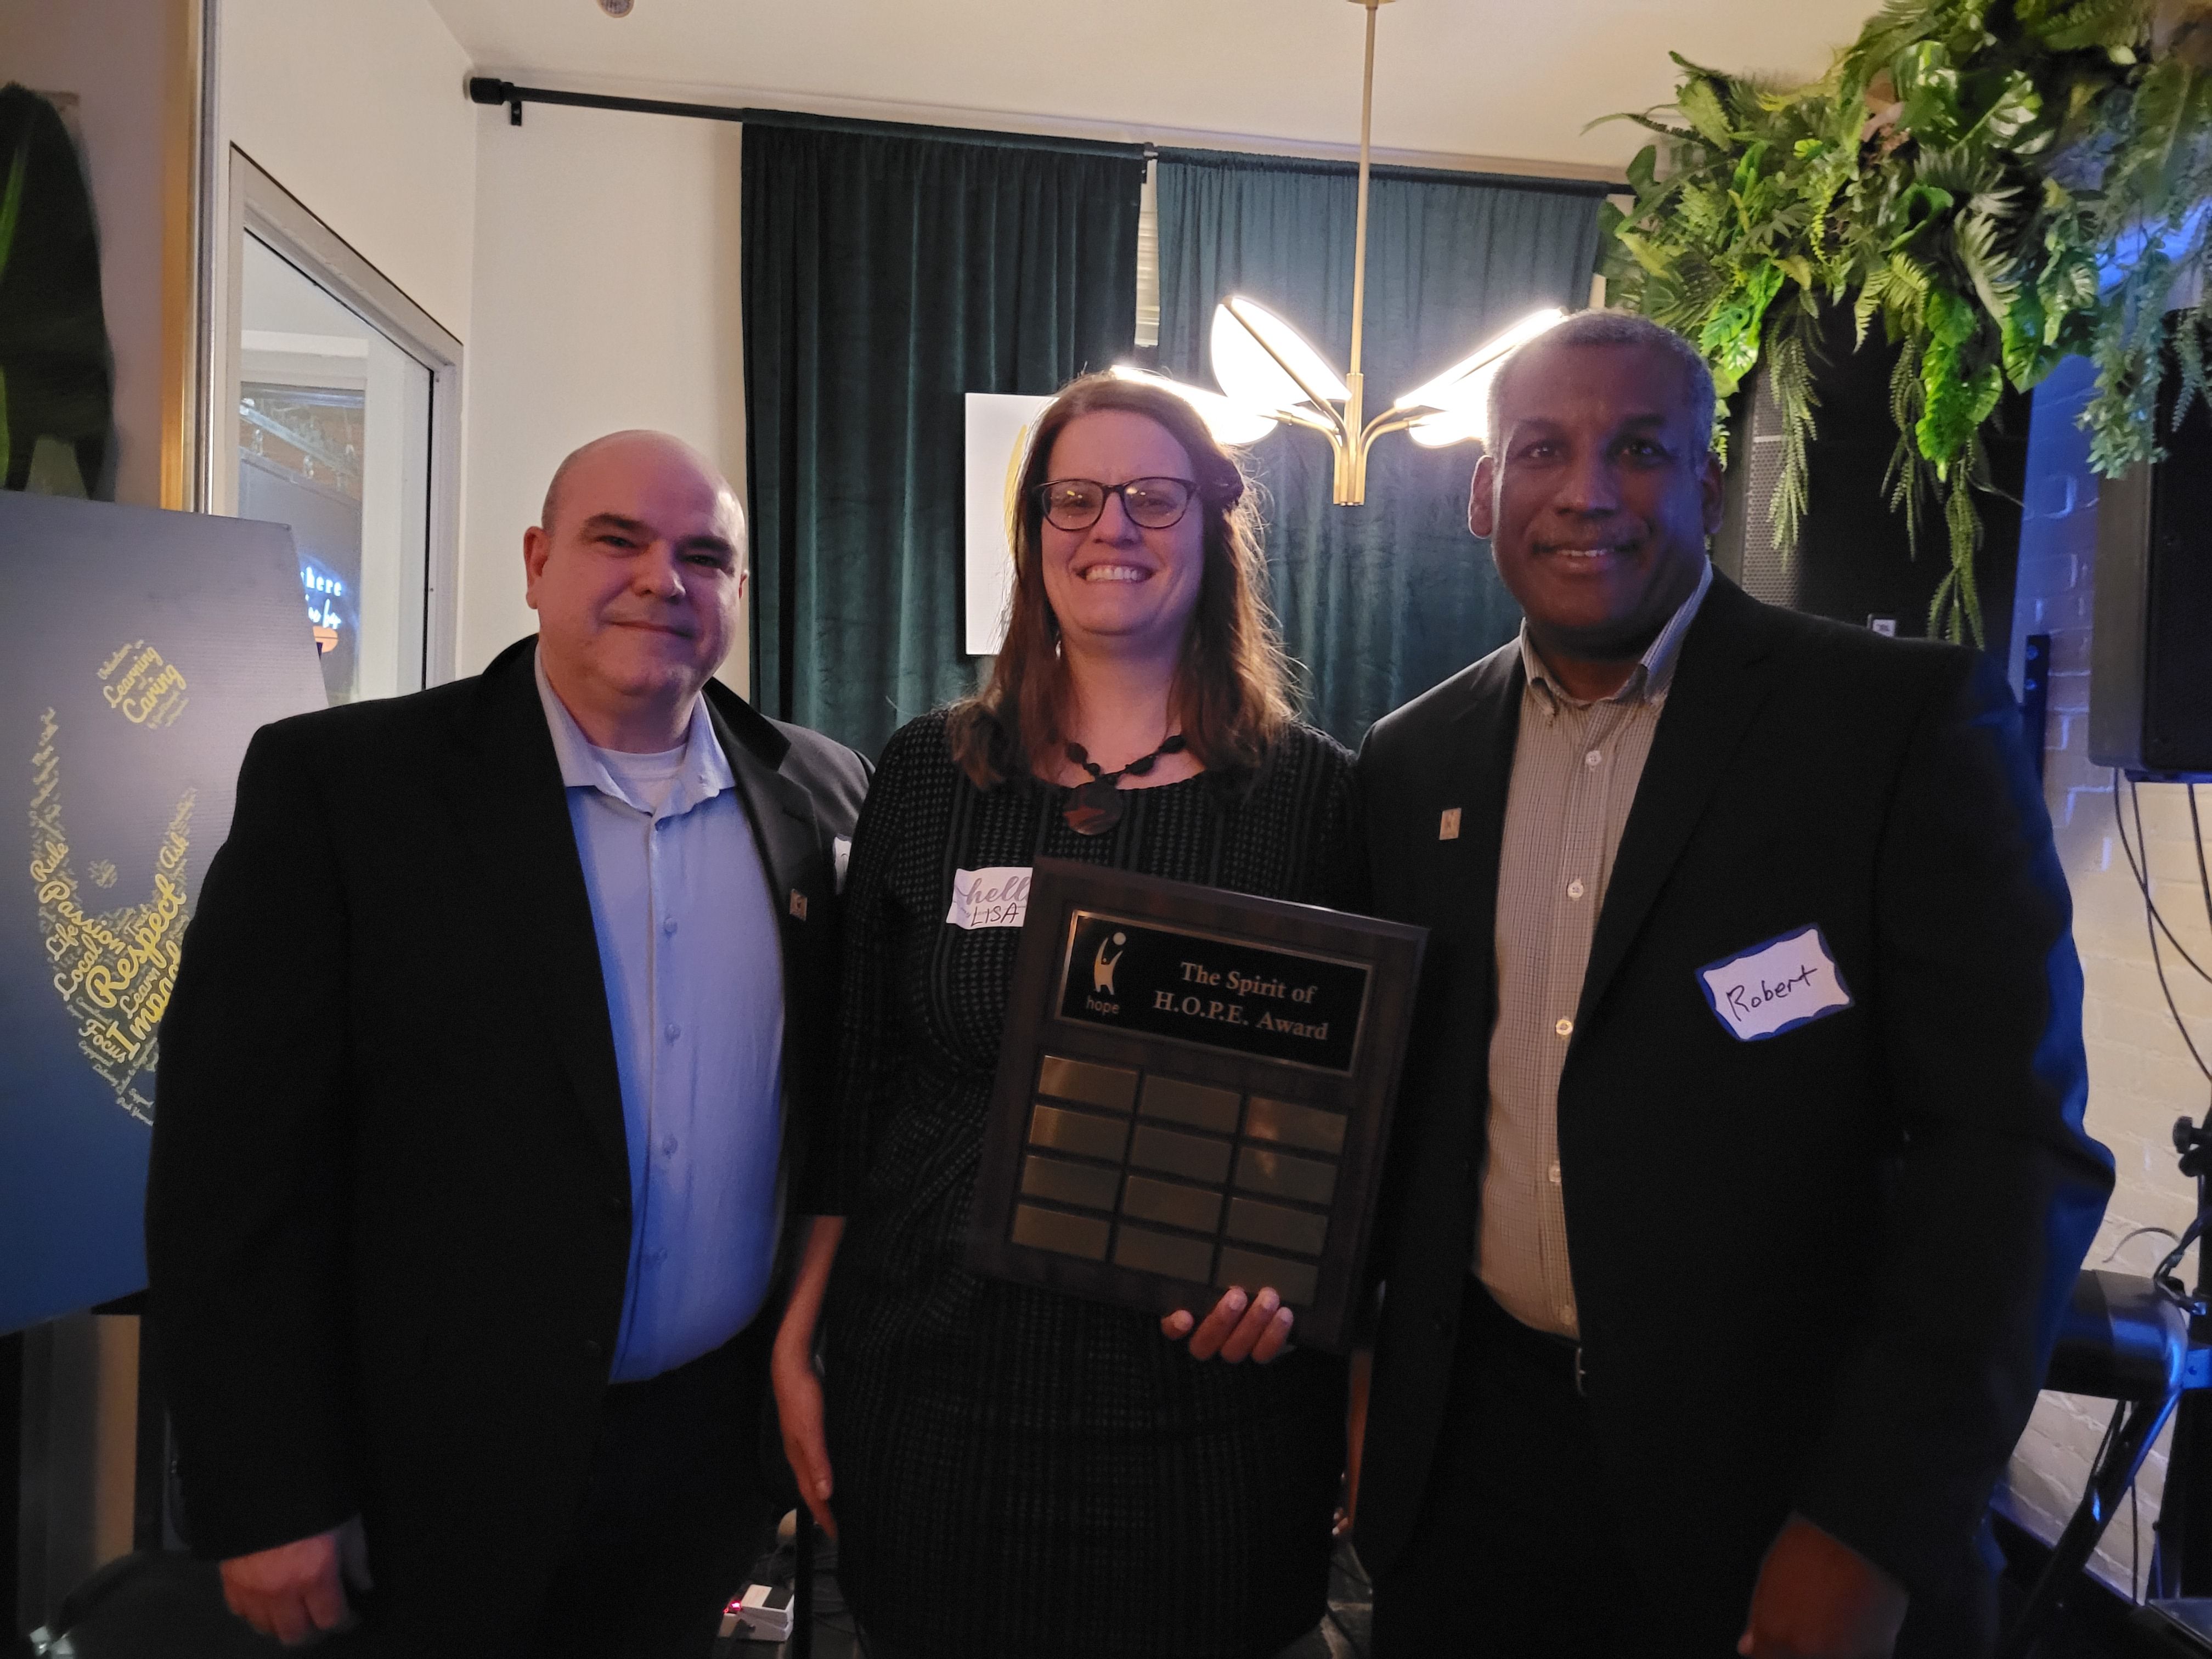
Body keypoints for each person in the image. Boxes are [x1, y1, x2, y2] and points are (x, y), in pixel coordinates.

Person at [1351, 311, 2113, 1659]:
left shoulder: (1896, 726)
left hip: (1787, 1503)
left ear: (1708, 481)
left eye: (1639, 449)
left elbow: (2009, 1155)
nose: (1588, 490)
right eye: (1543, 449)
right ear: (1485, 494)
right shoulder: (1412, 763)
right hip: (1474, 1494)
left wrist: (1869, 1528)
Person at [146, 431, 869, 1657]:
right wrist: (265, 1493)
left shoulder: (819, 793)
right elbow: (232, 1169)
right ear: (537, 563)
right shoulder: (348, 788)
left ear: (740, 595)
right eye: (617, 541)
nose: (664, 579)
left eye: (706, 556)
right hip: (419, 1484)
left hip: (700, 1470)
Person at [770, 373, 1353, 1658]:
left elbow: (1348, 1118)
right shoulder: (932, 769)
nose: (1114, 529)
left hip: (1210, 1411)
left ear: (1211, 525)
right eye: (1075, 499)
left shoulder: (1316, 799)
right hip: (932, 1388)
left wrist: (1309, 1293)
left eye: (1154, 498)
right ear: (1034, 534)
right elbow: (857, 1080)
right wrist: (799, 1335)